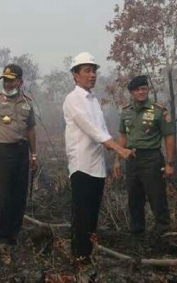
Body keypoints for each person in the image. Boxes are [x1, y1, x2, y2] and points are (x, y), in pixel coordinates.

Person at [63, 52, 134, 263]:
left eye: (93, 70)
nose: (92, 75)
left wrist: (116, 155)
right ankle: (80, 259)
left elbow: (103, 131)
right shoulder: (73, 99)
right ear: (75, 75)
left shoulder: (93, 101)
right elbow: (92, 130)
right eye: (87, 71)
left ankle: (88, 256)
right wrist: (119, 150)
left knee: (93, 215)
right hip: (81, 166)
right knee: (82, 216)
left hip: (97, 167)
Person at [0, 63, 38, 248]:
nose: (7, 83)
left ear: (20, 82)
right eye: (5, 80)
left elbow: (31, 130)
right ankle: (0, 236)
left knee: (19, 195)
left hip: (21, 152)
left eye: (11, 80)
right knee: (3, 195)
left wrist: (34, 155)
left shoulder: (27, 103)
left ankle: (14, 234)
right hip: (3, 152)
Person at [113, 75, 176, 237]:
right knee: (134, 199)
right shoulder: (126, 112)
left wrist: (169, 163)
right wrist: (117, 160)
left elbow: (169, 137)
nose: (142, 92)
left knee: (157, 196)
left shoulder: (158, 111)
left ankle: (163, 231)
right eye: (138, 90)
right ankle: (137, 233)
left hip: (152, 159)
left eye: (144, 89)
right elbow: (122, 137)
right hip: (132, 159)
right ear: (132, 92)